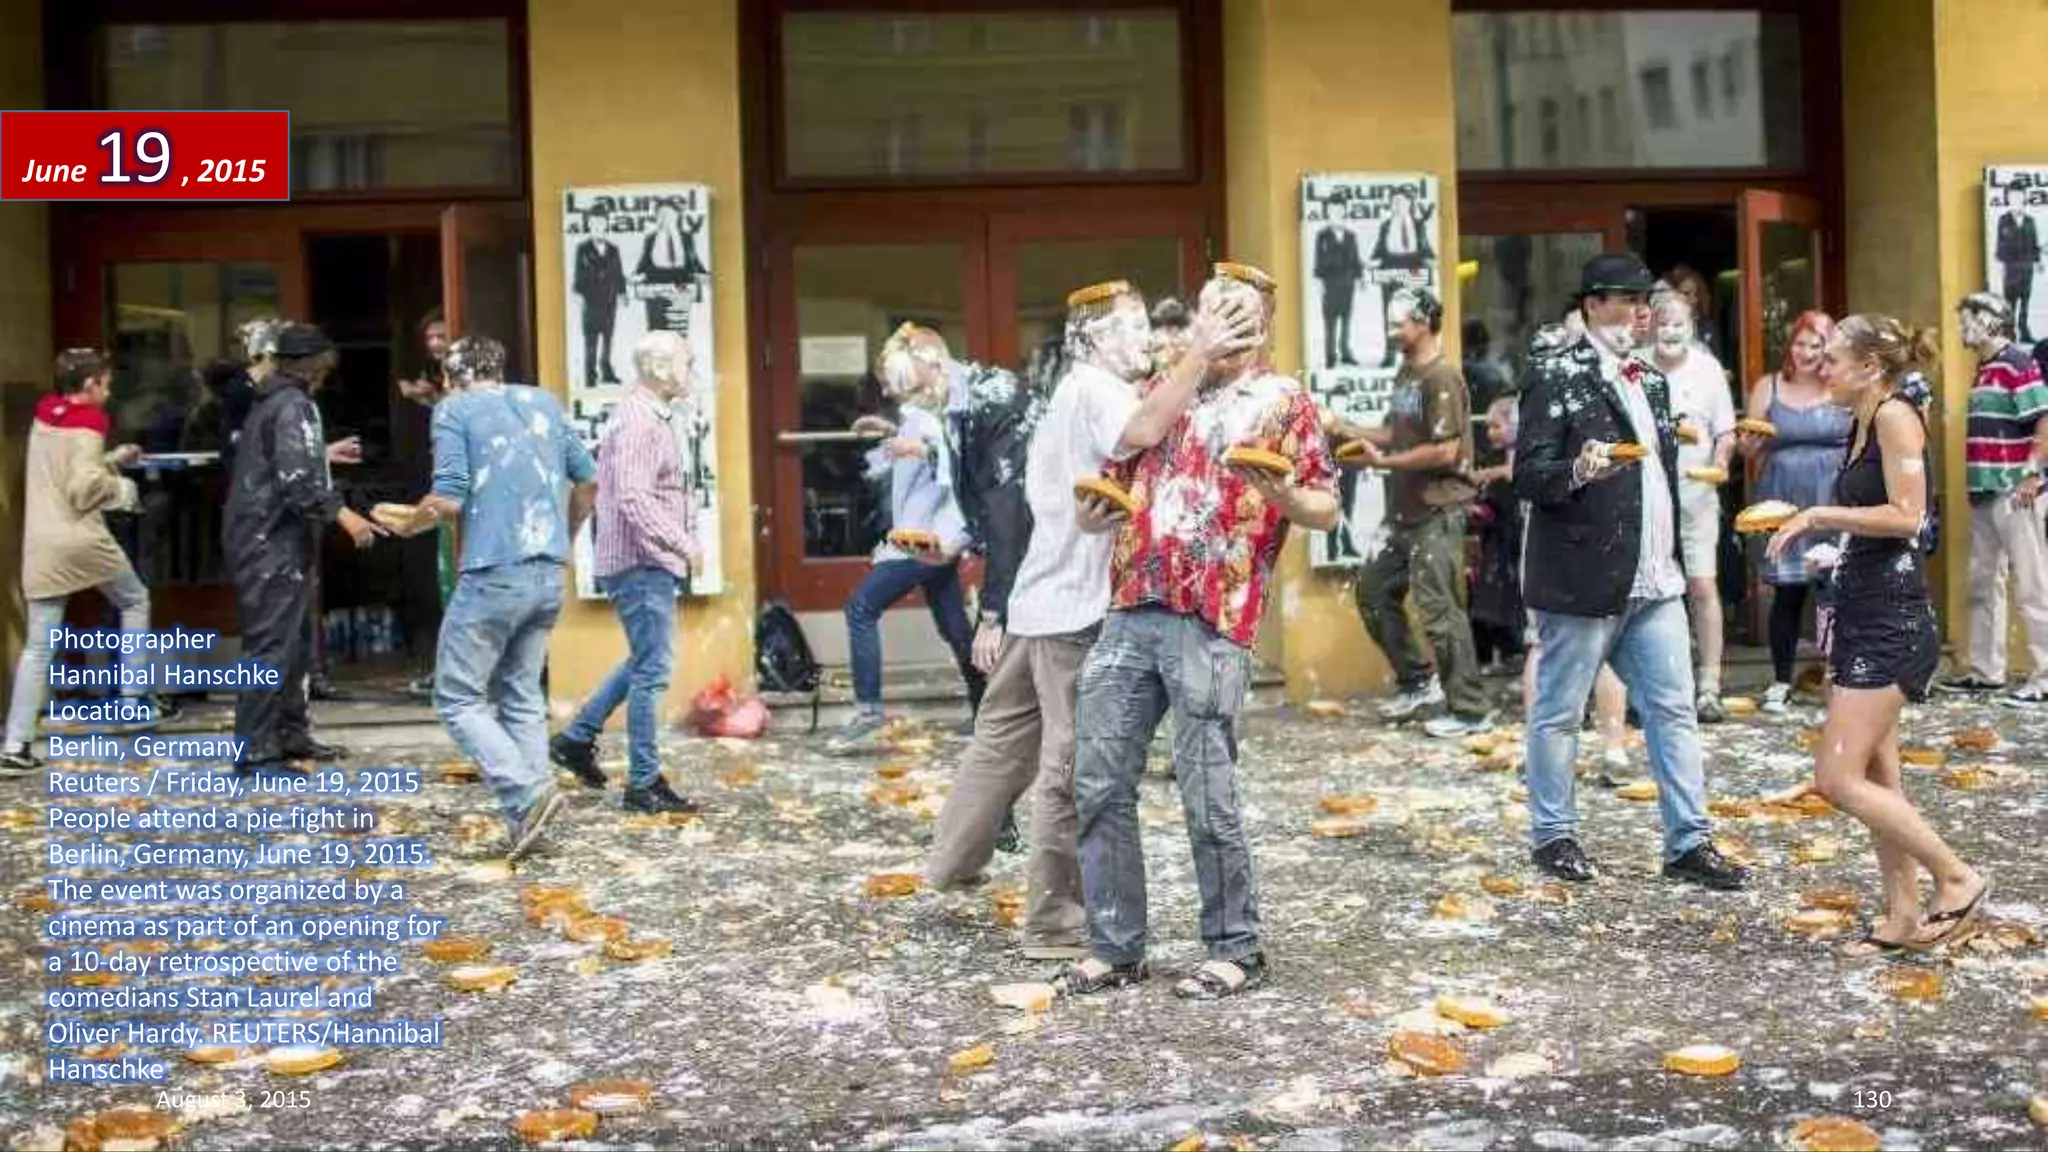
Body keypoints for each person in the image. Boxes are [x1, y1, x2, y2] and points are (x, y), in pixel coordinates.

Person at [924, 280, 1258, 960]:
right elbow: (1141, 431)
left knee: (1000, 744)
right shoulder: (1099, 390)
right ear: (1095, 338)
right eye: (1132, 327)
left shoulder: (1073, 390)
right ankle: (1056, 923)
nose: (1146, 339)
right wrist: (1200, 354)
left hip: (1038, 600)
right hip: (1076, 607)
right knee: (1071, 764)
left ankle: (950, 865)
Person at [1062, 262, 1340, 1000]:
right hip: (1131, 603)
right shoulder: (1166, 388)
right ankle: (1116, 946)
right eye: (1211, 311)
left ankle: (1236, 947)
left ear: (1263, 328)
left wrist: (1286, 497)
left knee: (1207, 790)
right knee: (1098, 781)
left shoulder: (1284, 401)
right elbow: (1117, 470)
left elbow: (1326, 507)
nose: (1221, 326)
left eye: (1237, 315)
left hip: (1215, 615)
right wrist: (1092, 514)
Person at [1514, 253, 1746, 890]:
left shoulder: (1651, 380)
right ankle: (1553, 836)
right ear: (1592, 305)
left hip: (1655, 579)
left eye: (1646, 300)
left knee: (1674, 710)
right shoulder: (1555, 374)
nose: (1641, 312)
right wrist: (1578, 469)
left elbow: (1656, 481)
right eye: (1627, 299)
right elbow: (1528, 476)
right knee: (1559, 713)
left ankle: (1689, 842)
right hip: (1584, 578)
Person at [1767, 314, 1988, 952]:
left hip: (1893, 623)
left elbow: (1909, 516)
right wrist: (1834, 549)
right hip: (1861, 610)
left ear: (1870, 367)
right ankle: (1902, 917)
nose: (1822, 370)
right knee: (1878, 776)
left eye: (1833, 360)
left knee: (1837, 779)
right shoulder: (1861, 419)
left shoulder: (1894, 416)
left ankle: (1958, 877)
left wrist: (1817, 515)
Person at [385, 335, 597, 860]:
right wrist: (565, 538)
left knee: (457, 697)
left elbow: (449, 497)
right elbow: (588, 482)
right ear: (498, 367)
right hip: (547, 572)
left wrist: (410, 523)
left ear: (451, 376)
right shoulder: (543, 402)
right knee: (520, 693)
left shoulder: (454, 409)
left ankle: (526, 794)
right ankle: (533, 820)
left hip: (493, 572)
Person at [0, 351, 182, 773]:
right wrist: (123, 490)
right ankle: (133, 703)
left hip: (41, 543)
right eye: (106, 383)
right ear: (89, 386)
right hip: (81, 539)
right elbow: (82, 490)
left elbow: (65, 467)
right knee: (134, 600)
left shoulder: (46, 414)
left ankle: (15, 745)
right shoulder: (90, 423)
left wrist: (113, 459)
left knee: (38, 645)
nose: (110, 391)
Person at [548, 331, 703, 814]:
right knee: (653, 670)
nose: (692, 369)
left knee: (644, 659)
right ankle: (643, 783)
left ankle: (576, 739)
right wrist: (683, 543)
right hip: (641, 562)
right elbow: (635, 498)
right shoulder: (639, 420)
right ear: (660, 367)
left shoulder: (646, 414)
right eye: (686, 361)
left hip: (643, 561)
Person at [225, 324, 381, 774]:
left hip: (263, 534)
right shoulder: (295, 405)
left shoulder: (272, 401)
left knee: (292, 643)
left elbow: (279, 462)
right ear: (317, 365)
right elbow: (298, 482)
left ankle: (290, 736)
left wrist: (320, 455)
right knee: (272, 643)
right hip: (270, 538)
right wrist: (345, 515)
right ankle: (255, 750)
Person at [824, 327, 988, 754]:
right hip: (937, 539)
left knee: (860, 608)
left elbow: (948, 462)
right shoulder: (923, 415)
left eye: (887, 377)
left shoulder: (929, 419)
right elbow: (925, 448)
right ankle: (988, 713)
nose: (883, 387)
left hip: (924, 541)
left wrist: (920, 450)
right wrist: (892, 434)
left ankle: (868, 713)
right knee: (953, 626)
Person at [1335, 287, 1489, 737]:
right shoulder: (1407, 372)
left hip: (1438, 511)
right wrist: (1344, 429)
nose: (1391, 331)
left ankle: (1470, 709)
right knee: (1373, 592)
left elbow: (1444, 451)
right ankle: (1418, 683)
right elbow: (1393, 433)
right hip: (1404, 511)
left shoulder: (1442, 378)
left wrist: (1383, 463)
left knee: (1440, 611)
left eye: (1398, 323)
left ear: (1423, 323)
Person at [1740, 310, 1850, 714]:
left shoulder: (1840, 386)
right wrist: (1747, 446)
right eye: (1799, 344)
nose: (1805, 352)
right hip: (1782, 498)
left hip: (1832, 498)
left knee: (1833, 590)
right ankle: (1781, 680)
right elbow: (1749, 446)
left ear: (1828, 348)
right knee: (1787, 593)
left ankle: (1838, 676)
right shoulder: (1768, 386)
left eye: (1815, 345)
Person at [1941, 292, 2048, 705]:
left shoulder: (2018, 363)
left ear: (1991, 321)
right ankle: (1987, 672)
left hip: (2015, 491)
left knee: (2032, 586)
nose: (1961, 328)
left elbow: (2043, 418)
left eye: (1967, 319)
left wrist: (2032, 473)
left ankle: (2044, 676)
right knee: (1983, 584)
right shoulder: (1986, 368)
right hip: (1985, 492)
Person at [1652, 293, 1737, 722]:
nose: (1670, 331)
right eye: (1663, 323)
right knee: (1650, 592)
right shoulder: (1637, 366)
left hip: (1697, 491)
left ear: (1692, 327)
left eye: (1678, 324)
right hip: (1648, 494)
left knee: (1702, 585)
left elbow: (1726, 432)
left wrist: (1721, 462)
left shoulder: (1707, 370)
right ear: (1650, 326)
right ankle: (1654, 687)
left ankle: (1709, 685)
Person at [573, 212, 629, 387]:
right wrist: (578, 293)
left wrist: (622, 293)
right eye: (594, 224)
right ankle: (590, 376)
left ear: (606, 226)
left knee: (608, 338)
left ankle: (607, 373)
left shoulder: (613, 249)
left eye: (601, 224)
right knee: (591, 340)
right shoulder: (582, 249)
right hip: (590, 301)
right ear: (589, 226)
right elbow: (578, 274)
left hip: (609, 301)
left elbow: (619, 274)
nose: (598, 228)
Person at [1312, 222, 1364, 367]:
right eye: (1334, 212)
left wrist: (1360, 278)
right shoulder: (1322, 236)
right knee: (1330, 320)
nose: (1337, 216)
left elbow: (1356, 259)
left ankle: (1345, 352)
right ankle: (1330, 355)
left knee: (1346, 319)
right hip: (1330, 283)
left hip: (1348, 283)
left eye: (1340, 212)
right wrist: (1319, 281)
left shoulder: (1350, 236)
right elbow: (1318, 258)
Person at [1996, 194, 2040, 343]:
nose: (2017, 202)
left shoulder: (2030, 221)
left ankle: (2024, 331)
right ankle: (2009, 333)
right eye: (2014, 198)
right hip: (2011, 269)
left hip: (2027, 268)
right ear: (2009, 200)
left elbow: (2034, 243)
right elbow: (2000, 245)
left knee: (2025, 302)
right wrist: (2003, 263)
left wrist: (2037, 261)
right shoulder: (2004, 220)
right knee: (2010, 303)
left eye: (2020, 198)